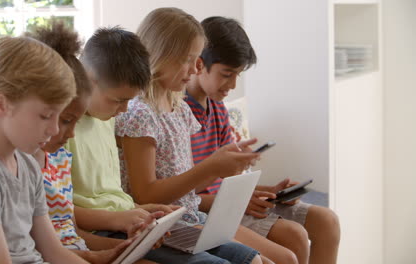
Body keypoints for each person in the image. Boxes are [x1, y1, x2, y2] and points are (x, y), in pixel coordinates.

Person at [66, 25, 263, 264]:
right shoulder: (65, 130)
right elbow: (60, 213)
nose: (124, 110)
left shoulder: (108, 116)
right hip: (108, 227)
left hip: (135, 219)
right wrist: (124, 217)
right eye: (119, 100)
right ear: (90, 81)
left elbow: (116, 196)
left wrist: (146, 209)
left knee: (252, 260)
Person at [115, 7, 269, 264]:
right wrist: (211, 166)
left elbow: (188, 187)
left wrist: (223, 167)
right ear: (160, 54)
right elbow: (145, 195)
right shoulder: (139, 114)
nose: (196, 68)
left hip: (191, 217)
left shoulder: (179, 108)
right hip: (162, 225)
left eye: (197, 59)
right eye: (188, 59)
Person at [185, 16, 341, 264]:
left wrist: (268, 192)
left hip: (229, 201)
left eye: (237, 75)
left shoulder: (217, 108)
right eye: (227, 74)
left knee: (327, 221)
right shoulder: (178, 115)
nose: (233, 85)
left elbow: (229, 180)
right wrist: (241, 199)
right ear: (199, 65)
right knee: (294, 236)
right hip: (208, 209)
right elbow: (182, 195)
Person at [28, 21, 160, 264]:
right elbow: (47, 248)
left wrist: (117, 249)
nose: (69, 132)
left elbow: (69, 230)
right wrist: (106, 248)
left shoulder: (56, 157)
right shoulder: (37, 155)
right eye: (64, 120)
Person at [0, 36, 88, 263]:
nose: (54, 129)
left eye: (57, 116)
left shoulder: (28, 166)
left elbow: (54, 252)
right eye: (45, 116)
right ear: (1, 105)